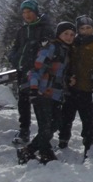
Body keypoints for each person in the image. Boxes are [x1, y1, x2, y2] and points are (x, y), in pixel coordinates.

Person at [16, 21, 75, 164]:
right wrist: (34, 89)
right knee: (47, 127)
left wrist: (68, 80)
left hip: (56, 94)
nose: (69, 37)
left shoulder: (66, 50)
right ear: (59, 34)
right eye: (65, 33)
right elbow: (37, 68)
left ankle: (41, 151)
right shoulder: (51, 48)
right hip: (42, 92)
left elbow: (60, 73)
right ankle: (30, 151)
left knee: (54, 124)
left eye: (72, 34)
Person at [62, 16, 93, 157]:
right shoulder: (72, 43)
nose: (85, 31)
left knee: (87, 116)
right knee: (67, 115)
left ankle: (89, 139)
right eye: (82, 28)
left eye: (88, 28)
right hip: (71, 86)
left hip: (87, 87)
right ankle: (63, 138)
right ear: (78, 30)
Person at [8, 0, 53, 145]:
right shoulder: (22, 30)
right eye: (24, 12)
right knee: (23, 102)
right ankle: (24, 130)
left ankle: (43, 133)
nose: (27, 15)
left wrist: (38, 66)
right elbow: (15, 48)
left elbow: (49, 50)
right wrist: (15, 59)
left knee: (39, 103)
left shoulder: (44, 29)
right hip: (22, 71)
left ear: (35, 12)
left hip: (38, 73)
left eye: (29, 12)